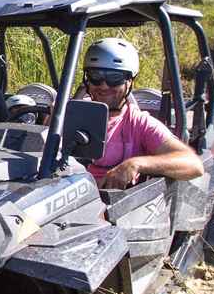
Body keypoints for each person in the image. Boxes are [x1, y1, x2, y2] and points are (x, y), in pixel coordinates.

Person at [78, 38, 204, 189]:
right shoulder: (72, 113)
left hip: (111, 203)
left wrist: (135, 164)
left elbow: (193, 164)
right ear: (87, 79)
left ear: (130, 81)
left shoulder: (139, 123)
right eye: (96, 76)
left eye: (115, 78)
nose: (104, 86)